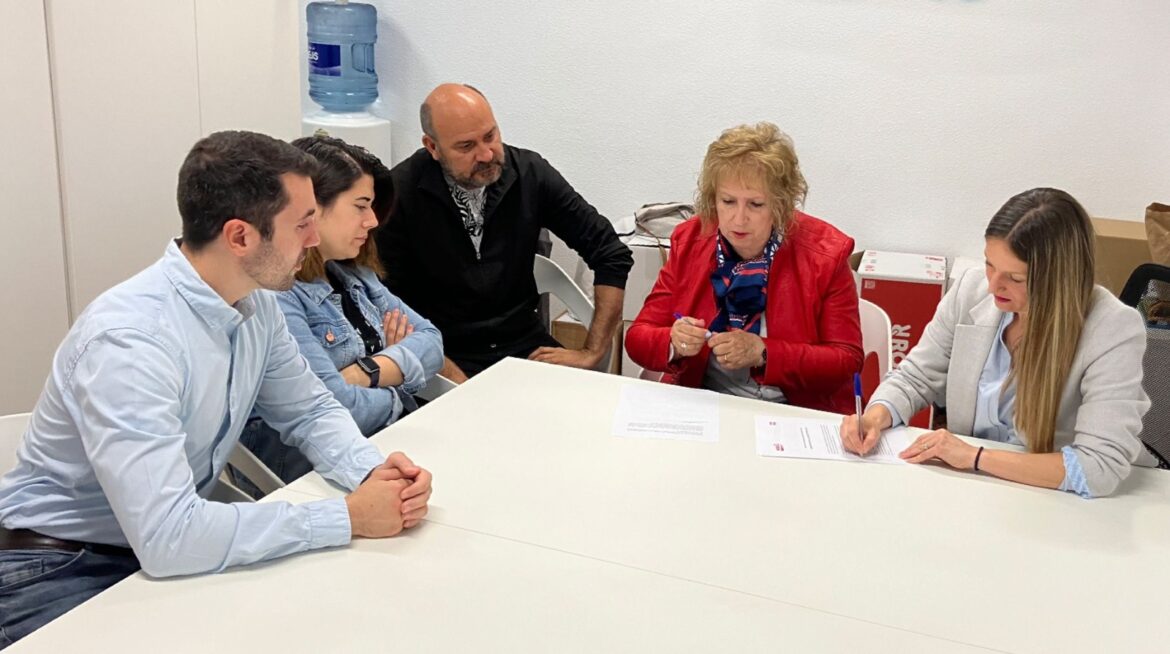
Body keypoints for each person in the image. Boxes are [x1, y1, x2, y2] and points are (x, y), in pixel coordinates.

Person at [0, 131, 432, 648]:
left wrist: (375, 475)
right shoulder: (131, 342)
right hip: (55, 567)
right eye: (302, 224)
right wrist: (347, 516)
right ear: (240, 237)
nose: (314, 239)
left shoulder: (256, 304)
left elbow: (310, 410)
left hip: (147, 556)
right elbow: (170, 537)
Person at [841, 188, 1154, 497]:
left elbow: (1098, 466)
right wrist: (875, 417)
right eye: (989, 264)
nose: (993, 285)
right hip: (977, 488)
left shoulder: (1112, 328)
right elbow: (915, 377)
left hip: (1058, 498)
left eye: (1015, 278)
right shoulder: (971, 289)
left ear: (1059, 279)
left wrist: (975, 457)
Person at [376, 83, 633, 380]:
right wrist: (458, 385)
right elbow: (384, 303)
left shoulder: (529, 173)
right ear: (432, 147)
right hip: (444, 354)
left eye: (490, 136)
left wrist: (592, 351)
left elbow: (610, 252)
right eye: (466, 146)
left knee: (590, 406)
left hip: (525, 347)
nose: (486, 154)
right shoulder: (399, 194)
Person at [238, 135, 443, 486]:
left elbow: (431, 341)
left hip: (379, 446)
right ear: (312, 208)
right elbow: (338, 411)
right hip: (309, 477)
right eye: (361, 206)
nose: (373, 221)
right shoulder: (277, 295)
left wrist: (366, 371)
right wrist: (399, 386)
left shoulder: (352, 274)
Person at [624, 122, 862, 412]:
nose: (738, 219)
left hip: (795, 409)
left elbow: (847, 359)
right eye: (728, 201)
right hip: (709, 403)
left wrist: (764, 352)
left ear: (780, 205)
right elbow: (638, 337)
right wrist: (673, 340)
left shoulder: (826, 254)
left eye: (755, 204)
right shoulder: (690, 241)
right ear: (713, 199)